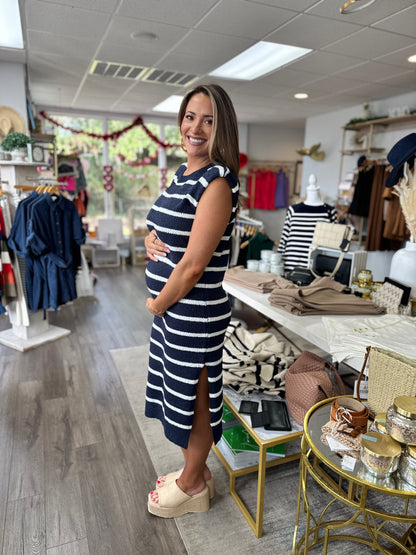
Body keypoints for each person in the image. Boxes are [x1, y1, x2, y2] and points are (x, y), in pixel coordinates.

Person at [144, 84, 240, 518]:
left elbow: (193, 267)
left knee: (196, 399)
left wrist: (157, 304)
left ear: (222, 129)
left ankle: (189, 485)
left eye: (208, 119)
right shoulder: (183, 175)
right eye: (189, 116)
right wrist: (150, 239)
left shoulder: (217, 182)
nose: (195, 127)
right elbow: (169, 231)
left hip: (192, 312)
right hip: (174, 312)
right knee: (178, 393)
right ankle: (196, 475)